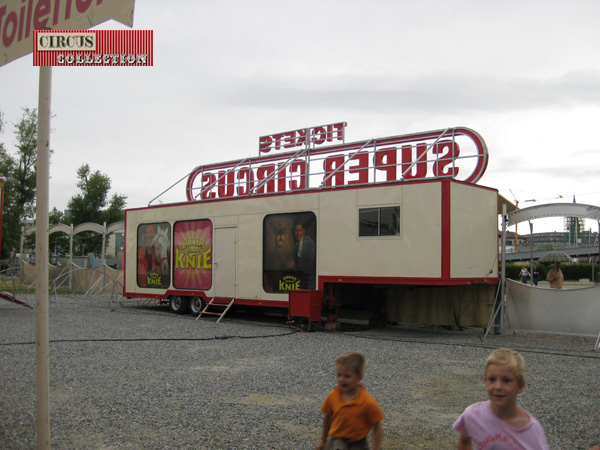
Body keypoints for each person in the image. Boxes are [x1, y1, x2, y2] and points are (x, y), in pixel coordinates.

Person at [453, 348, 550, 450]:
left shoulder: (532, 431)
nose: (498, 386)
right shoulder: (472, 415)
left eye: (506, 380)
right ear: (485, 381)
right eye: (492, 379)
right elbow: (464, 442)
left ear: (520, 386)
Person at [317, 351, 385, 450]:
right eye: (339, 375)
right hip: (337, 440)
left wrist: (376, 448)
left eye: (347, 376)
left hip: (358, 443)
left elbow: (377, 427)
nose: (341, 379)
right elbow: (327, 418)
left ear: (359, 377)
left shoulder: (367, 402)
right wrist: (323, 440)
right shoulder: (333, 396)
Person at [293, 222, 316, 289]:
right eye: (296, 230)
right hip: (299, 278)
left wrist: (294, 265)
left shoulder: (310, 244)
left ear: (303, 232)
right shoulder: (292, 242)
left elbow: (308, 267)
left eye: (300, 230)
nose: (298, 233)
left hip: (309, 280)